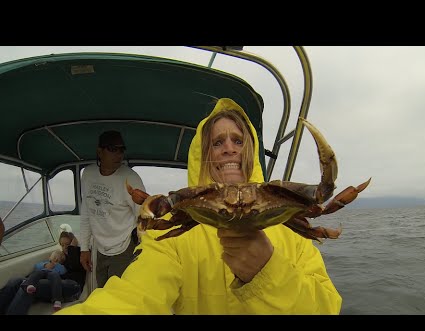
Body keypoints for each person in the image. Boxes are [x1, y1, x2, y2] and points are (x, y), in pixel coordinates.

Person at [57, 98, 342, 315]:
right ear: (203, 156)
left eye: (238, 140)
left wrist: (269, 270)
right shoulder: (174, 235)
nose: (229, 148)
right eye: (218, 142)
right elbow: (132, 297)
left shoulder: (292, 230)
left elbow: (327, 306)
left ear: (251, 153)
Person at [78, 130, 146, 288]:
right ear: (99, 152)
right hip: (100, 247)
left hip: (124, 245)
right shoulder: (88, 174)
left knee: (116, 294)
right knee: (101, 289)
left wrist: (144, 249)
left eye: (121, 150)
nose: (119, 154)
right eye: (112, 149)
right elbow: (87, 212)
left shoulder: (131, 178)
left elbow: (143, 217)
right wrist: (84, 249)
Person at [0, 229, 86, 315]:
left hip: (73, 286)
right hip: (56, 285)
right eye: (62, 245)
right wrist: (47, 264)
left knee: (28, 285)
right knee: (15, 280)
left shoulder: (79, 255)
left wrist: (73, 247)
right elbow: (41, 267)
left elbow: (74, 265)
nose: (65, 247)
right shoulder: (61, 257)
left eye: (68, 244)